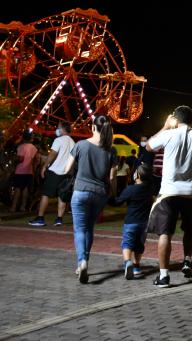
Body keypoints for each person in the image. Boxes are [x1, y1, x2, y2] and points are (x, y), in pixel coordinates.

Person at [146, 106, 192, 287]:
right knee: (190, 230)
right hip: (191, 192)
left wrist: (165, 126)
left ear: (175, 118)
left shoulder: (169, 133)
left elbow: (149, 146)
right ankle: (186, 260)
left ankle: (164, 276)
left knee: (165, 234)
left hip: (169, 191)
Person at [63, 115, 117, 284]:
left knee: (79, 229)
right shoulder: (111, 150)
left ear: (93, 127)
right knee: (89, 228)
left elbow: (66, 169)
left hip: (80, 191)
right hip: (99, 193)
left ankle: (82, 262)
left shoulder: (81, 145)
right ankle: (85, 260)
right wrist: (112, 193)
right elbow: (113, 176)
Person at [29, 122, 76, 227]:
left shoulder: (58, 140)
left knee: (46, 194)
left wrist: (45, 166)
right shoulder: (73, 143)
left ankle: (40, 218)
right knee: (62, 196)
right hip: (67, 173)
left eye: (58, 127)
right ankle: (59, 219)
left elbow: (53, 154)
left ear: (63, 129)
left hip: (54, 171)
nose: (57, 129)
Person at [112, 163, 153, 280]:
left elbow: (118, 202)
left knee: (127, 244)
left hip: (131, 222)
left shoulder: (131, 189)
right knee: (139, 245)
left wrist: (109, 197)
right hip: (144, 223)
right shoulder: (149, 190)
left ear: (138, 175)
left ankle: (127, 262)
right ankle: (136, 267)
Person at [11, 131, 38, 213]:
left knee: (18, 189)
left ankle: (13, 207)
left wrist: (14, 159)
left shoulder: (21, 147)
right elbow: (34, 161)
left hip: (20, 171)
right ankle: (23, 207)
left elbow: (20, 159)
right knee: (26, 189)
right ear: (30, 138)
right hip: (29, 171)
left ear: (23, 137)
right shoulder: (34, 148)